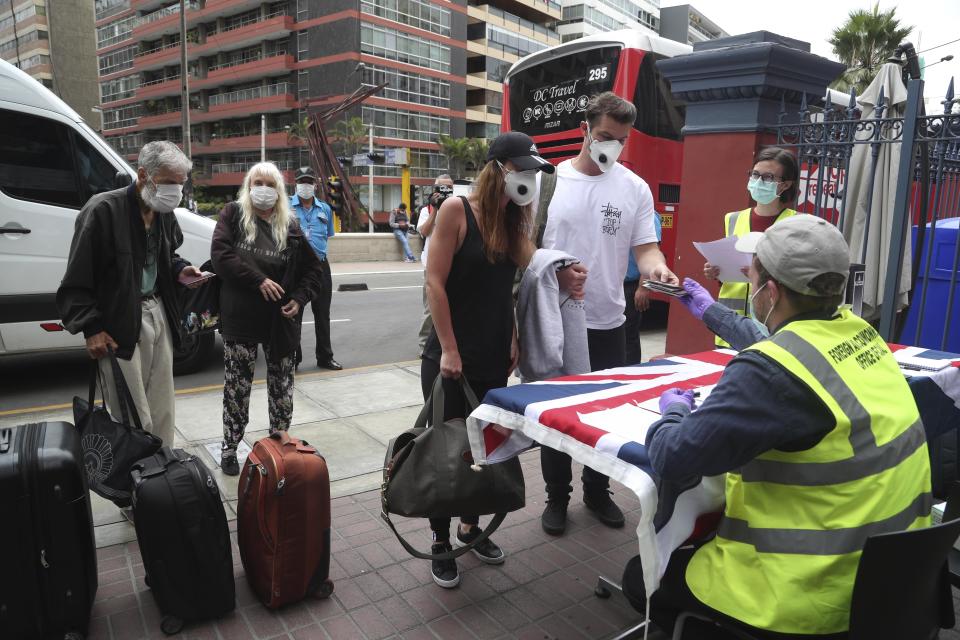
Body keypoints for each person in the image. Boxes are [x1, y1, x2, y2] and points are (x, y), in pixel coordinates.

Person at [638, 215, 931, 639]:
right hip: (891, 580)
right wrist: (711, 312)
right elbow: (790, 350)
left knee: (644, 578)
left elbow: (672, 455)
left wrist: (674, 411)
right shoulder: (861, 334)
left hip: (804, 595)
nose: (749, 282)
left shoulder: (767, 374)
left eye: (751, 275)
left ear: (769, 291)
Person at [422, 131, 585, 588]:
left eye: (535, 172)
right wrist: (449, 349)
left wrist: (564, 275)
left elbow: (528, 274)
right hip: (450, 356)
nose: (530, 178)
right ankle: (440, 542)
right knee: (446, 454)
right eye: (523, 170)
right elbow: (434, 283)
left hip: (493, 356)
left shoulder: (514, 221)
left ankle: (469, 531)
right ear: (497, 169)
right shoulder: (457, 210)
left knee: (481, 450)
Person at [536, 91, 679, 536]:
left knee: (604, 415)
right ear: (584, 129)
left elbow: (647, 248)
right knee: (554, 415)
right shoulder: (548, 184)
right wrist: (554, 275)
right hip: (554, 320)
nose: (610, 147)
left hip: (608, 320)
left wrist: (659, 270)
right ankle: (556, 496)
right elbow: (524, 250)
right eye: (603, 136)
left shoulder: (633, 187)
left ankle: (596, 490)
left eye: (620, 140)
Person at [57, 140, 203, 452]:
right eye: (168, 182)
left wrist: (180, 270)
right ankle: (135, 486)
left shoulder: (163, 211)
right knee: (131, 414)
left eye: (180, 183)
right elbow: (77, 278)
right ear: (142, 174)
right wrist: (92, 328)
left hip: (156, 312)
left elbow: (164, 256)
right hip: (117, 322)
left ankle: (161, 476)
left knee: (162, 406)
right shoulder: (102, 211)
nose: (175, 190)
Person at [211, 162, 323, 476]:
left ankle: (280, 443)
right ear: (249, 186)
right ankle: (230, 447)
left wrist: (299, 300)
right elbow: (221, 255)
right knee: (236, 388)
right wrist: (257, 280)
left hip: (280, 322)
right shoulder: (232, 214)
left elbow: (313, 271)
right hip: (240, 319)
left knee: (282, 388)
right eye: (257, 182)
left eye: (269, 183)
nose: (263, 189)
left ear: (278, 190)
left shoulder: (290, 224)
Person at [706, 147, 798, 347]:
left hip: (773, 325)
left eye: (768, 177)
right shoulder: (732, 219)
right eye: (755, 175)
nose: (758, 182)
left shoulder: (796, 223)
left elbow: (797, 276)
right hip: (730, 322)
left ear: (785, 185)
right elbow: (727, 271)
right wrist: (716, 271)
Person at [290, 166, 341, 371]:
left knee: (322, 314)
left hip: (319, 265)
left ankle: (325, 357)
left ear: (315, 185)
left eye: (309, 182)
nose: (306, 185)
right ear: (296, 184)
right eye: (302, 181)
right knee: (295, 314)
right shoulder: (286, 207)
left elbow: (327, 235)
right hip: (295, 267)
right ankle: (294, 358)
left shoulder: (325, 209)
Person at [416, 174, 454, 355]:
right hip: (432, 265)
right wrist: (436, 210)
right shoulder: (427, 210)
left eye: (449, 189)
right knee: (431, 308)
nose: (445, 192)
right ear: (435, 190)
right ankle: (424, 345)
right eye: (441, 189)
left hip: (454, 264)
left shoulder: (458, 208)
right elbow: (424, 231)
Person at [623, 212, 662, 364]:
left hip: (631, 286)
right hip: (616, 284)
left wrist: (643, 287)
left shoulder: (649, 216)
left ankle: (630, 374)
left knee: (627, 336)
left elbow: (652, 251)